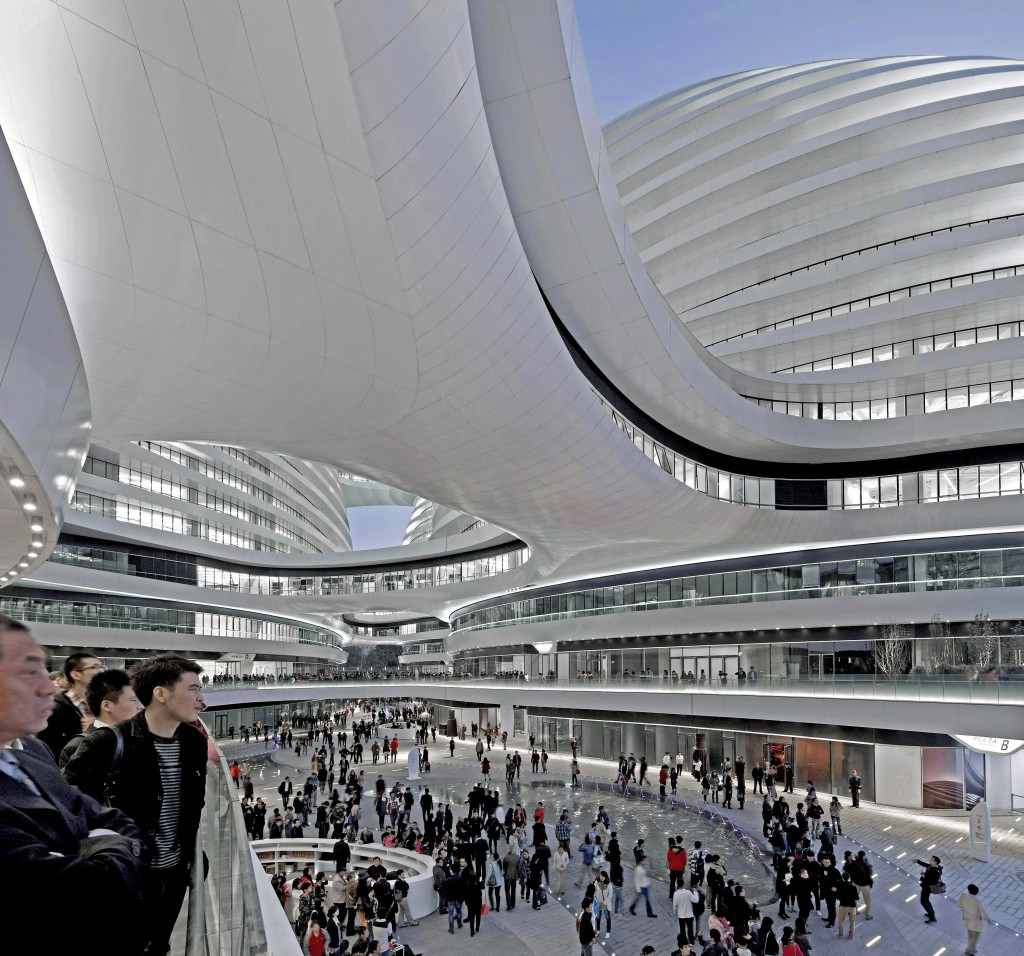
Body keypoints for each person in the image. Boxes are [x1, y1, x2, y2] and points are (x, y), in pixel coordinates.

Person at [0, 616, 145, 956]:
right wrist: (104, 846)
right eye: (28, 671)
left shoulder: (32, 750)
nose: (49, 687)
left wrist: (96, 847)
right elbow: (88, 889)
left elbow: (112, 820)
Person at [65, 654, 208, 956]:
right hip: (125, 879)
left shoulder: (194, 742)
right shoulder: (108, 742)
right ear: (161, 694)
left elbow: (193, 806)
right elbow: (71, 806)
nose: (201, 698)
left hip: (173, 877)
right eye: (193, 688)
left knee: (159, 945)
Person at [58, 667, 143, 768]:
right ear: (107, 705)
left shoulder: (140, 739)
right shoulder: (78, 746)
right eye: (134, 700)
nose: (142, 706)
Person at [37, 649, 105, 759]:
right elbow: (49, 750)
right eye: (95, 667)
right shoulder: (54, 707)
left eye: (102, 666)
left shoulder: (104, 704)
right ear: (76, 674)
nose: (101, 671)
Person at [957, 883, 994, 955]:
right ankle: (969, 950)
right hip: (976, 922)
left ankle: (972, 949)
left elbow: (958, 905)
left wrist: (964, 908)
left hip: (966, 919)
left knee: (970, 935)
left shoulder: (963, 896)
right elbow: (983, 912)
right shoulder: (977, 901)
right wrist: (989, 920)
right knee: (975, 936)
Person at [915, 855, 943, 922]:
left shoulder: (936, 871)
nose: (930, 860)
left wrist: (924, 876)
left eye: (931, 860)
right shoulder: (932, 866)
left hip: (927, 887)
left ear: (935, 862)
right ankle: (931, 912)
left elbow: (933, 882)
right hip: (926, 886)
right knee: (926, 900)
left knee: (923, 901)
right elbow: (925, 865)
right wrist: (917, 861)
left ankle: (932, 917)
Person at [836, 871, 860, 939]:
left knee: (840, 920)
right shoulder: (853, 887)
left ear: (842, 878)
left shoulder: (839, 885)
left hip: (843, 906)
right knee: (852, 921)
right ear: (849, 878)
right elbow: (857, 897)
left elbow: (837, 896)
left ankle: (840, 933)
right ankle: (851, 935)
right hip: (852, 906)